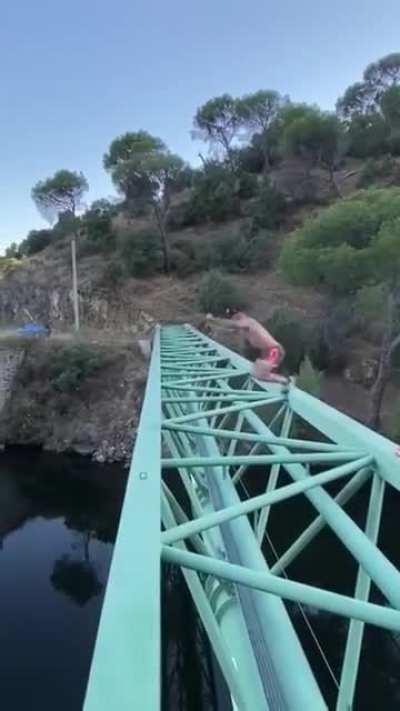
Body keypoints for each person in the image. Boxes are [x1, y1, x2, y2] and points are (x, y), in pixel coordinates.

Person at [206, 308, 289, 384]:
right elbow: (228, 329)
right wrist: (213, 325)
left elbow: (232, 325)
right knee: (256, 372)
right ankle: (281, 379)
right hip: (268, 352)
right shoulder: (245, 328)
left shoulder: (248, 321)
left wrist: (213, 319)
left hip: (273, 351)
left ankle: (285, 380)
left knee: (259, 375)